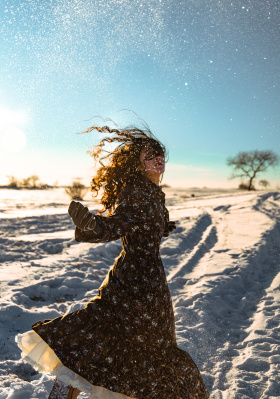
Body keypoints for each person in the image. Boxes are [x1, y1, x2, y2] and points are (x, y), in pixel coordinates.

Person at [16, 124, 210, 398]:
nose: (157, 158)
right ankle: (62, 394)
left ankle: (63, 393)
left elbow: (138, 222)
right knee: (106, 340)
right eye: (150, 155)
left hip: (150, 285)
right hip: (135, 284)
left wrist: (159, 227)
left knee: (111, 343)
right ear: (139, 165)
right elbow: (117, 225)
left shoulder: (153, 192)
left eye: (159, 153)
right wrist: (92, 226)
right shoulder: (138, 193)